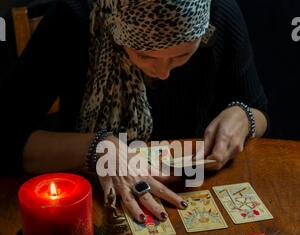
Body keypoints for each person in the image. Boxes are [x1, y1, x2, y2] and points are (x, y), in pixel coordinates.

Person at [0, 0, 269, 223]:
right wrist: (96, 147)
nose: (163, 73)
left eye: (183, 55)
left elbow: (259, 110)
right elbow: (7, 140)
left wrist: (244, 117)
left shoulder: (220, 11)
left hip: (190, 196)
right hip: (91, 205)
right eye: (145, 55)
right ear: (116, 30)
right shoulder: (74, 17)